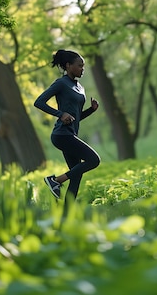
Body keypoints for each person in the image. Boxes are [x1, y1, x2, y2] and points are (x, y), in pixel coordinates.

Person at [34, 49, 101, 202]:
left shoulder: (80, 87)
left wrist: (91, 110)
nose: (82, 69)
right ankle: (56, 181)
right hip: (62, 135)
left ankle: (67, 216)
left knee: (76, 176)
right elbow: (38, 102)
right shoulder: (61, 83)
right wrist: (60, 114)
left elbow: (75, 118)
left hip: (71, 134)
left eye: (83, 66)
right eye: (79, 65)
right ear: (68, 65)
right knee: (94, 160)